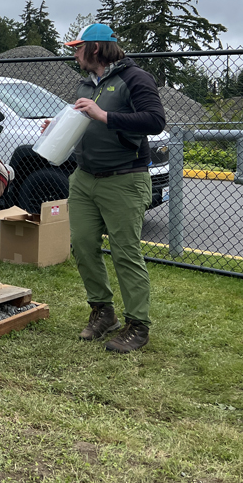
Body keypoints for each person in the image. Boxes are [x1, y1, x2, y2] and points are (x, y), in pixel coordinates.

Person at [63, 23, 165, 354]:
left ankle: (138, 325)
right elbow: (85, 121)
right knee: (82, 244)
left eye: (78, 48)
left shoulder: (135, 78)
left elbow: (155, 121)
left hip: (124, 179)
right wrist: (59, 127)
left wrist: (105, 116)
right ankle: (102, 312)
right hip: (84, 178)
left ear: (95, 48)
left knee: (125, 252)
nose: (74, 54)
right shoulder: (85, 83)